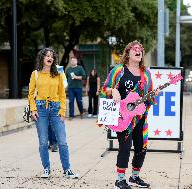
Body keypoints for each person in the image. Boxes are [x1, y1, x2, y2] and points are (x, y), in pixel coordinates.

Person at [100, 40, 159, 189]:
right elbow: (105, 88)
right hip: (123, 117)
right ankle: (120, 180)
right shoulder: (118, 70)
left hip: (140, 117)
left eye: (141, 49)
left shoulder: (146, 74)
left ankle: (135, 177)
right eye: (135, 49)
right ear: (128, 53)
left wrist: (154, 94)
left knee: (142, 147)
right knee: (125, 147)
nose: (139, 51)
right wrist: (113, 91)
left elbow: (148, 98)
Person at [28, 47, 79, 179]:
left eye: (52, 56)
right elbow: (30, 94)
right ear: (42, 58)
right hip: (41, 109)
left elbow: (62, 94)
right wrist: (33, 109)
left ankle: (67, 170)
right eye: (47, 56)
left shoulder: (58, 74)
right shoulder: (35, 74)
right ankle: (46, 169)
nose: (50, 58)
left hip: (56, 108)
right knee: (43, 142)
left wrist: (63, 111)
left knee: (62, 141)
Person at [65, 56, 86, 120]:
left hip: (78, 87)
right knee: (71, 101)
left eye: (74, 60)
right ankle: (71, 115)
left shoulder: (80, 68)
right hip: (70, 88)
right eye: (72, 60)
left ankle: (81, 112)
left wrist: (76, 77)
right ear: (70, 62)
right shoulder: (68, 69)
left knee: (79, 101)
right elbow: (65, 78)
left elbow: (84, 76)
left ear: (76, 61)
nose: (73, 61)